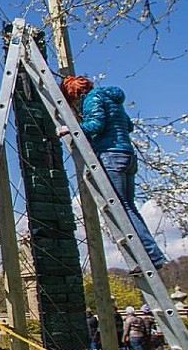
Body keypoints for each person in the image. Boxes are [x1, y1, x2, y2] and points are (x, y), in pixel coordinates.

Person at [59, 76, 167, 276]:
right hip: (127, 156)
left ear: (74, 93)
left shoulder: (92, 99)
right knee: (129, 207)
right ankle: (147, 257)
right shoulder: (111, 99)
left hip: (111, 156)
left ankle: (150, 257)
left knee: (121, 209)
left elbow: (96, 125)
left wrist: (70, 129)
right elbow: (128, 125)